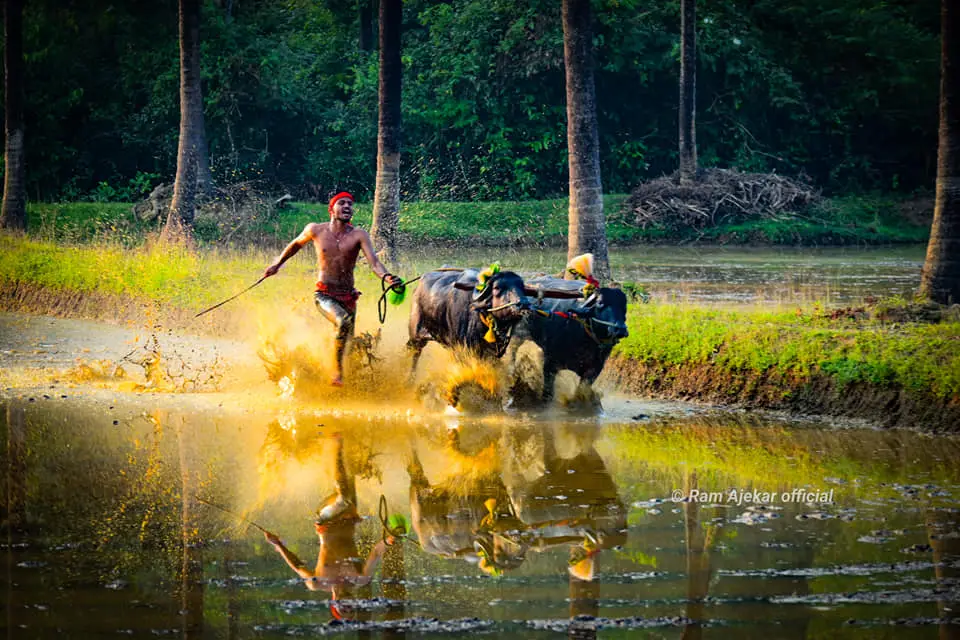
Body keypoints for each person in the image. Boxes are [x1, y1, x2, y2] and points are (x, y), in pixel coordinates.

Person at [263, 192, 401, 386]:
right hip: (324, 294)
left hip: (349, 297)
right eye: (342, 203)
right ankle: (337, 373)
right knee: (343, 322)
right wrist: (277, 264)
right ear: (331, 209)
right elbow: (295, 245)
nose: (347, 207)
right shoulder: (315, 230)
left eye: (350, 204)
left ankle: (348, 381)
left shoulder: (359, 234)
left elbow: (374, 262)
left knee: (349, 344)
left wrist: (387, 277)